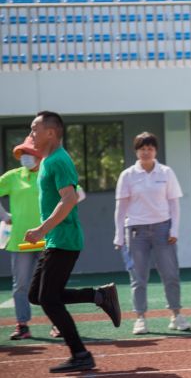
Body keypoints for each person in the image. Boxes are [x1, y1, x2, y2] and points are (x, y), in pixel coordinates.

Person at [25, 111, 121, 373]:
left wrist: (42, 229)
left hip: (64, 239)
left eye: (35, 129)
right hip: (56, 239)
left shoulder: (58, 160)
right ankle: (99, 295)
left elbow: (69, 199)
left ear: (51, 133)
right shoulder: (48, 160)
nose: (31, 133)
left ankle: (80, 354)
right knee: (37, 295)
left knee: (49, 299)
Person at [114, 132, 190, 334]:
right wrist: (119, 235)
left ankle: (176, 315)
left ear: (156, 150)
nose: (146, 152)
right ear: (136, 151)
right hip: (136, 232)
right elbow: (120, 209)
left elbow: (174, 203)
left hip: (163, 230)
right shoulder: (127, 175)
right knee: (138, 278)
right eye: (142, 148)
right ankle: (140, 318)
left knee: (171, 275)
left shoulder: (166, 173)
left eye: (150, 148)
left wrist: (174, 229)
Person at [0, 136, 51, 340]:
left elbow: (73, 196)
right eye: (22, 154)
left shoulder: (49, 174)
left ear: (39, 155)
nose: (25, 157)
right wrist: (3, 216)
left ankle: (57, 323)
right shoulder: (12, 177)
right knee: (20, 285)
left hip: (47, 238)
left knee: (50, 284)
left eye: (29, 153)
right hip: (21, 241)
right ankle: (23, 325)